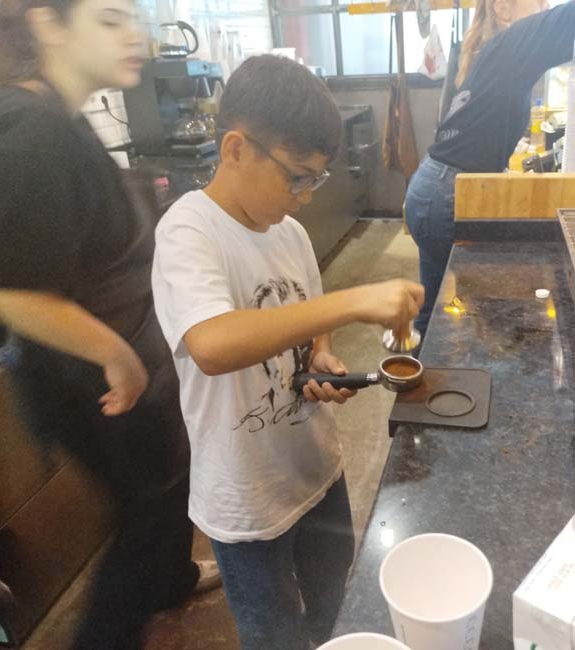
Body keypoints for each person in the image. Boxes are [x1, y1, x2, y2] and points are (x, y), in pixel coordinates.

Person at [0, 0, 219, 648]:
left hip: (115, 361)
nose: (133, 35)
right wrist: (116, 354)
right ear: (46, 23)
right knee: (146, 517)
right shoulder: (26, 127)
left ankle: (172, 580)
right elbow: (6, 287)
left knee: (169, 485)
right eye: (109, 18)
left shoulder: (60, 114)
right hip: (87, 380)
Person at [152, 54, 425, 650]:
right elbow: (212, 344)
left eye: (315, 180)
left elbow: (308, 312)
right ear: (235, 149)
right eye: (297, 176)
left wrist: (320, 355)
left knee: (335, 604)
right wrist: (354, 302)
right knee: (272, 631)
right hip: (247, 499)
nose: (303, 197)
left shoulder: (290, 232)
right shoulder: (188, 231)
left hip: (316, 468)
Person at [405, 0, 575, 338]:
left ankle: (419, 365)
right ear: (502, 8)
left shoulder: (494, 51)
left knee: (434, 306)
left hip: (431, 185)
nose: (544, 6)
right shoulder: (513, 42)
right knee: (481, 309)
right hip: (448, 192)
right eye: (537, 1)